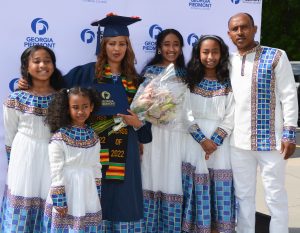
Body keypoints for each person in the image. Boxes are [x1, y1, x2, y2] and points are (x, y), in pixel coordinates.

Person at [227, 12, 298, 233]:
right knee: (243, 196)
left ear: (254, 29)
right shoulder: (227, 61)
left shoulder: (276, 56)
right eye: (235, 29)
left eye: (244, 27)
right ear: (229, 33)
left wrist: (289, 133)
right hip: (238, 142)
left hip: (271, 140)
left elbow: (288, 95)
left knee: (275, 194)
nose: (240, 32)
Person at [0, 45, 64, 232]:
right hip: (24, 158)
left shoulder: (64, 98)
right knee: (21, 203)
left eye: (47, 61)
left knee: (49, 202)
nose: (42, 65)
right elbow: (10, 136)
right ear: (26, 67)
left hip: (53, 158)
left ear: (53, 65)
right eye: (36, 61)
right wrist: (13, 164)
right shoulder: (16, 99)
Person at [183, 35, 235, 233]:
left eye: (215, 52)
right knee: (195, 194)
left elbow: (231, 115)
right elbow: (185, 114)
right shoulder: (189, 81)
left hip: (221, 148)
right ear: (198, 54)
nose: (210, 56)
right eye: (205, 52)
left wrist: (214, 141)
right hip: (194, 145)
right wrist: (203, 141)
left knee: (219, 195)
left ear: (221, 54)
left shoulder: (228, 82)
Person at [139, 29, 187, 232]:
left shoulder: (187, 74)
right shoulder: (149, 71)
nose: (171, 48)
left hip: (178, 136)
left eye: (176, 44)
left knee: (173, 180)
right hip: (153, 135)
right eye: (167, 44)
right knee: (150, 176)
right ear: (159, 47)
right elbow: (140, 106)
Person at [43, 87, 102, 232]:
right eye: (75, 107)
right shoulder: (60, 136)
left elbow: (96, 166)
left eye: (85, 107)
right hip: (68, 188)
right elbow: (56, 169)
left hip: (88, 190)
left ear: (91, 107)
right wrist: (59, 199)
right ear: (67, 109)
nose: (81, 112)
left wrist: (97, 192)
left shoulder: (94, 136)